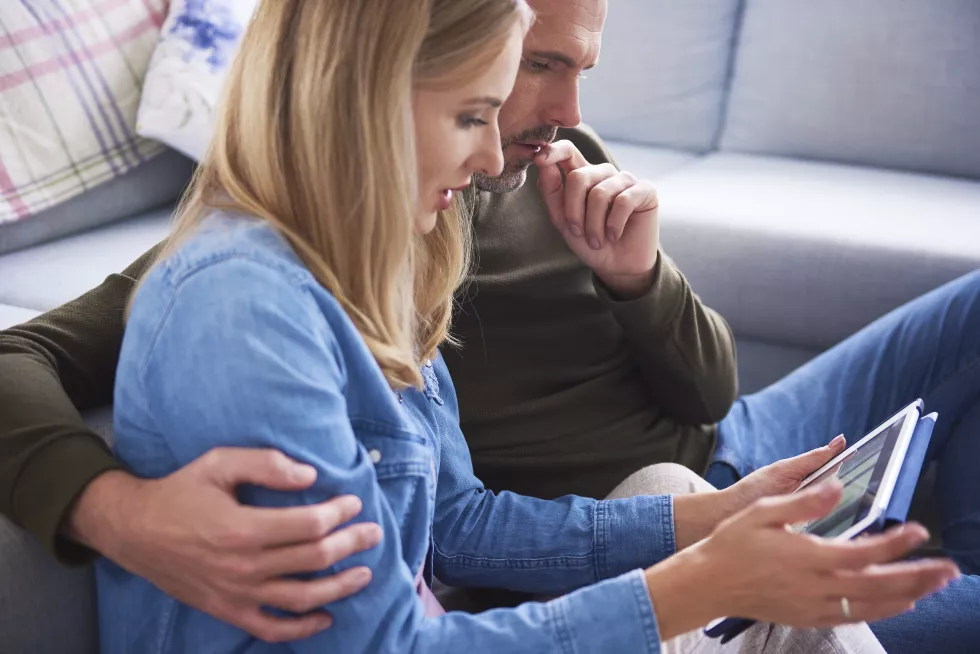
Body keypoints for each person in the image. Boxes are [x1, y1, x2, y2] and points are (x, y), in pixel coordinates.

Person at [0, 0, 976, 650]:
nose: (492, 157)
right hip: (574, 535)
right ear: (374, 88)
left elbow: (458, 521)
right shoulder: (245, 304)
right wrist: (692, 580)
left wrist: (703, 520)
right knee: (834, 601)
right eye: (483, 104)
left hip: (666, 480)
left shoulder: (400, 245)